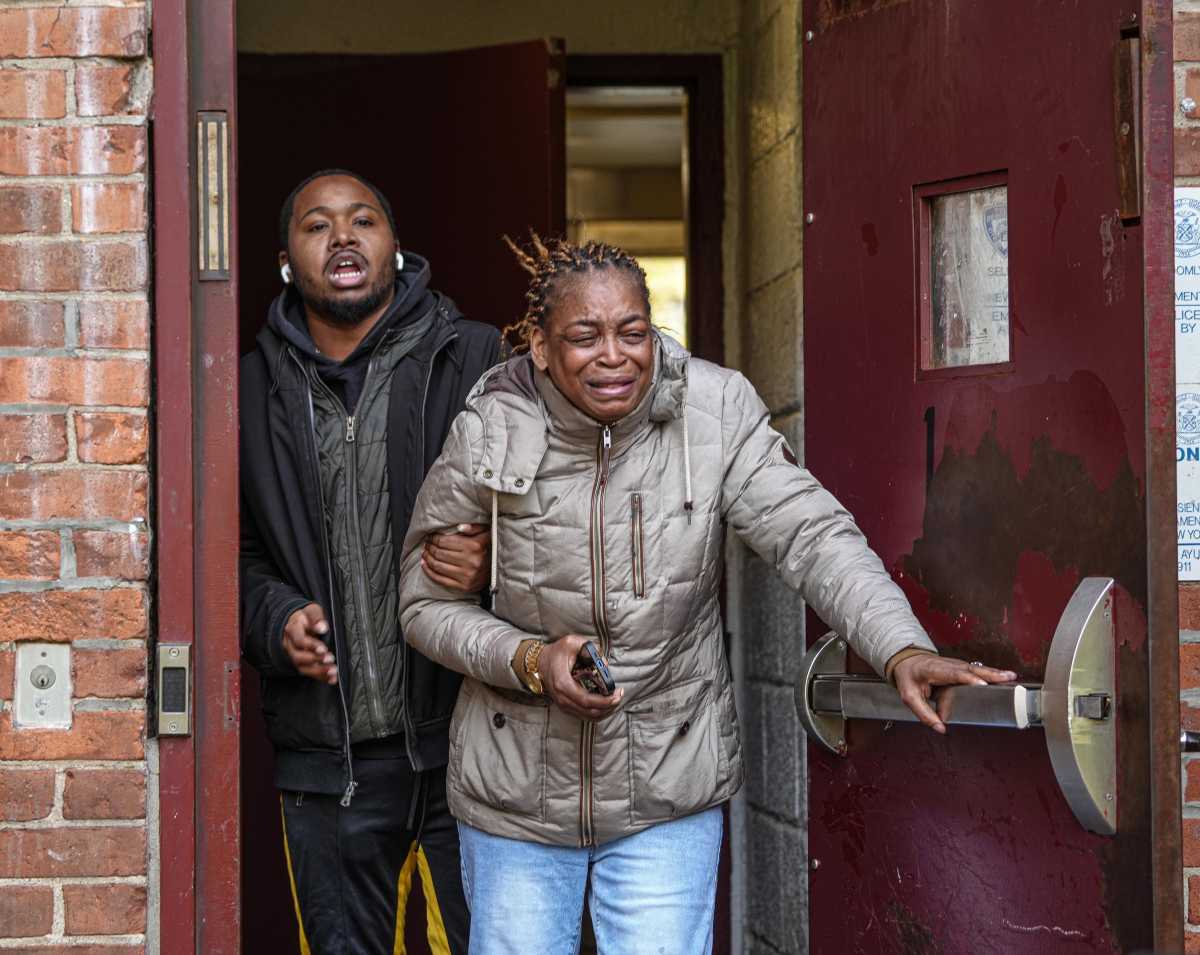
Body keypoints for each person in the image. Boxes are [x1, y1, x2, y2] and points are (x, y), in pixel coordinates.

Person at [395, 235, 1017, 954]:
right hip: (513, 798)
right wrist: (531, 660)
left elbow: (810, 534)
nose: (614, 355)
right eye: (583, 336)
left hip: (668, 783)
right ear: (539, 345)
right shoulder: (490, 425)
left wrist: (897, 644)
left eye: (633, 331)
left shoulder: (713, 411)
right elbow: (421, 603)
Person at [239, 169, 502, 955]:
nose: (343, 236)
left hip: (476, 749)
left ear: (395, 248)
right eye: (317, 226)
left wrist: (495, 555)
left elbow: (557, 513)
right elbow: (224, 556)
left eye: (363, 221)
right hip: (330, 764)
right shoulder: (245, 389)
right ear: (288, 261)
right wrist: (274, 618)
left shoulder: (479, 359)